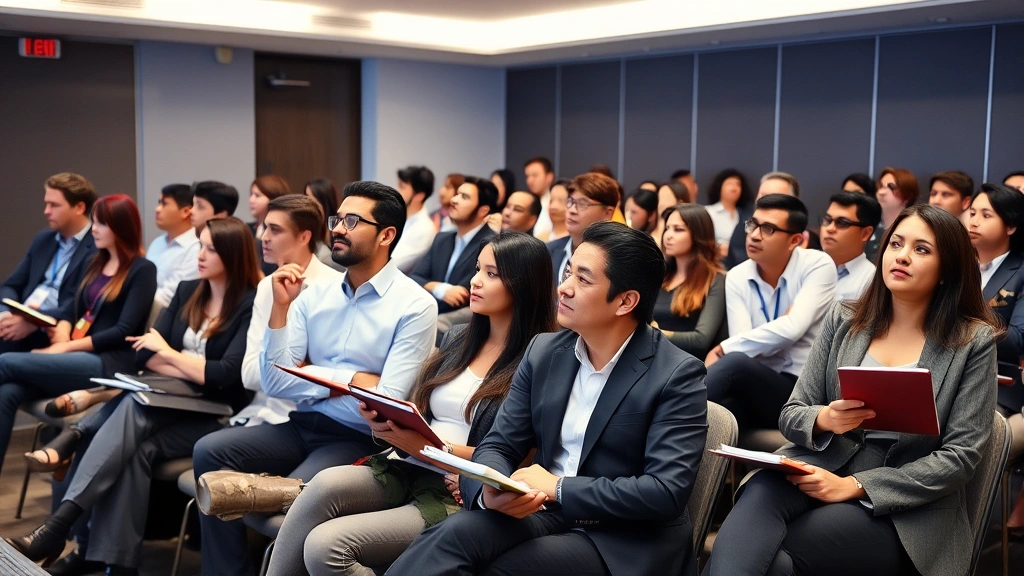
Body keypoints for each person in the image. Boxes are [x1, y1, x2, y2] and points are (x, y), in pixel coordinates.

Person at [387, 222, 708, 576]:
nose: (563, 289)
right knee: (451, 534)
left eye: (583, 280)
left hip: (622, 540)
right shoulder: (545, 351)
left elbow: (664, 491)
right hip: (544, 512)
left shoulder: (677, 374)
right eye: (568, 273)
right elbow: (499, 443)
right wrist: (489, 489)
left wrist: (558, 487)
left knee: (502, 568)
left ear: (625, 301)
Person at [704, 204, 999, 576]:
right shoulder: (846, 319)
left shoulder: (972, 341)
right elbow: (792, 413)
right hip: (820, 466)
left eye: (921, 249)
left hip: (905, 506)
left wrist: (857, 485)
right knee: (754, 506)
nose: (902, 256)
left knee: (775, 559)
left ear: (947, 270)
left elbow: (959, 458)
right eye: (896, 244)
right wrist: (825, 418)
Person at [265, 232, 556, 576]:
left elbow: (523, 455)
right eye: (478, 269)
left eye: (491, 274)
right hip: (412, 462)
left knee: (326, 546)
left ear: (524, 285)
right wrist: (388, 422)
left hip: (458, 487)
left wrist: (434, 449)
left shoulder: (541, 359)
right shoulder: (459, 336)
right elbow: (424, 412)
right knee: (323, 486)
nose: (475, 281)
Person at [191, 181, 438, 576]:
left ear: (387, 235)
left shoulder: (415, 305)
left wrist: (311, 379)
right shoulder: (311, 295)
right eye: (337, 218)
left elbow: (385, 403)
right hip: (301, 424)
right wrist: (351, 377)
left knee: (291, 496)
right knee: (210, 450)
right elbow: (275, 384)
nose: (337, 228)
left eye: (352, 221)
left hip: (357, 437)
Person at [7, 217, 260, 574]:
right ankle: (111, 561)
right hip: (163, 404)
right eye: (199, 245)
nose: (199, 255)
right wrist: (192, 368)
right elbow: (142, 353)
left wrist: (170, 356)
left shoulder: (250, 303)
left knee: (132, 406)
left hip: (214, 415)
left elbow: (225, 376)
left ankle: (65, 525)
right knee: (135, 440)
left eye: (210, 249)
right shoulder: (188, 290)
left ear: (233, 255)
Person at [0, 195, 156, 476]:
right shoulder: (94, 262)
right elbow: (72, 310)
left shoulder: (142, 270)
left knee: (6, 362)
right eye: (94, 223)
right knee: (7, 393)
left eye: (101, 224)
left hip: (107, 363)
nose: (93, 229)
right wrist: (61, 331)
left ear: (121, 227)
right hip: (76, 356)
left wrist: (63, 349)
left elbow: (123, 331)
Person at [704, 194, 837, 433]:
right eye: (753, 224)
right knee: (720, 414)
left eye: (768, 229)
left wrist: (725, 348)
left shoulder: (818, 265)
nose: (754, 234)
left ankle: (671, 413)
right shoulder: (737, 275)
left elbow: (792, 328)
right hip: (755, 386)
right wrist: (781, 326)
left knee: (733, 362)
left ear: (794, 240)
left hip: (801, 392)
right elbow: (748, 342)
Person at [233, 195, 343, 427]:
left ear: (304, 236)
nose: (264, 237)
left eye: (275, 230)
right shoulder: (267, 285)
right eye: (265, 227)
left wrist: (278, 368)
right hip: (261, 412)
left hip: (309, 417)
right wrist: (295, 367)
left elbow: (332, 379)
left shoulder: (334, 288)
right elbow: (248, 374)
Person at [0, 173, 98, 354]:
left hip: (53, 329)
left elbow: (79, 303)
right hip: (20, 320)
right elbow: (11, 285)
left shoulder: (97, 247)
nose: (46, 211)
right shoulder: (44, 239)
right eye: (47, 204)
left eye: (54, 205)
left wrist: (34, 323)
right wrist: (5, 314)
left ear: (79, 207)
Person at [411, 176, 498, 315]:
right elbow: (415, 277)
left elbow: (463, 295)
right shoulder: (442, 239)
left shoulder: (492, 244)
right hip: (427, 312)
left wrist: (432, 288)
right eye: (457, 194)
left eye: (464, 197)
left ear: (483, 210)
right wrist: (440, 289)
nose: (454, 200)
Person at [653, 204, 726, 359]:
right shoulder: (659, 274)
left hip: (685, 363)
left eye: (678, 229)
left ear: (698, 235)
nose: (668, 235)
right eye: (667, 228)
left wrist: (654, 334)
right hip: (651, 358)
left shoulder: (715, 279)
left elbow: (701, 340)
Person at [546, 173, 619, 285]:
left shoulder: (617, 259)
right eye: (570, 201)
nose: (572, 210)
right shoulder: (548, 251)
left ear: (607, 213)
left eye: (582, 204)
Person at [723, 172, 800, 270]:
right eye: (762, 196)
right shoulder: (745, 226)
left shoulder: (803, 238)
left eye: (774, 197)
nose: (765, 202)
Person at [147, 183, 200, 308]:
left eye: (164, 204)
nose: (157, 209)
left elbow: (170, 297)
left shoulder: (195, 248)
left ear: (186, 211)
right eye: (159, 202)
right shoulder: (157, 243)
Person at [821, 192, 881, 301]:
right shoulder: (808, 266)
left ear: (865, 233)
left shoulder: (872, 282)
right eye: (828, 220)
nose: (830, 228)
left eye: (842, 223)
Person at [866, 167, 919, 262]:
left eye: (891, 187)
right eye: (881, 186)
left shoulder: (914, 229)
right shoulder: (869, 224)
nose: (881, 192)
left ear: (907, 195)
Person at [392, 165, 438, 274]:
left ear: (419, 196)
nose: (397, 191)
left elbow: (393, 263)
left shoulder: (424, 228)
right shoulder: (398, 217)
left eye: (402, 187)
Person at [705, 169, 753, 263]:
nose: (734, 188)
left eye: (738, 184)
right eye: (729, 184)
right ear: (720, 187)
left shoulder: (746, 215)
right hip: (715, 262)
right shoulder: (708, 212)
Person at [249, 175, 293, 276]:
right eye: (251, 195)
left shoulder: (285, 233)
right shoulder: (246, 229)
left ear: (273, 198)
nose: (251, 200)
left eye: (257, 195)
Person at [305, 178, 346, 272]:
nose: (305, 205)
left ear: (324, 202)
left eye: (310, 199)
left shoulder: (339, 230)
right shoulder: (310, 230)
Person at [524, 157, 556, 239]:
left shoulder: (555, 203)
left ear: (549, 177)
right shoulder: (526, 201)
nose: (529, 180)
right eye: (527, 176)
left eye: (535, 175)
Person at [651, 181, 691, 245]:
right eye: (659, 199)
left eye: (666, 199)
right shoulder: (650, 226)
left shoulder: (688, 226)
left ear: (680, 202)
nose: (661, 204)